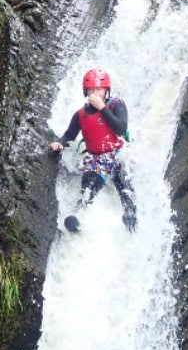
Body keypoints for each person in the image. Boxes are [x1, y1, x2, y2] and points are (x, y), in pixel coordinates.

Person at [49, 68, 137, 232]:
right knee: (87, 191)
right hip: (97, 160)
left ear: (106, 90)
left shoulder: (116, 104)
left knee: (126, 190)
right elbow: (69, 134)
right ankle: (77, 222)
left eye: (99, 89)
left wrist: (103, 108)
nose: (95, 93)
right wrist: (59, 142)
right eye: (91, 90)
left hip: (118, 156)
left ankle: (131, 218)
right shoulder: (81, 114)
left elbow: (120, 128)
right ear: (86, 92)